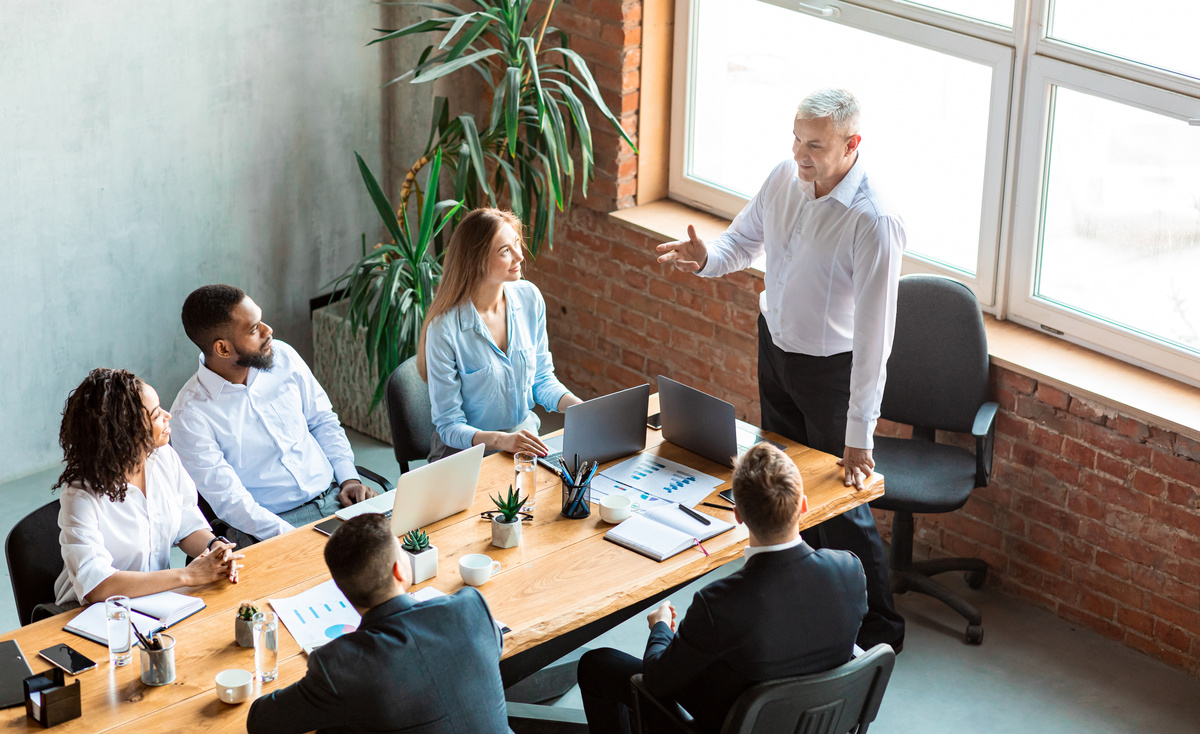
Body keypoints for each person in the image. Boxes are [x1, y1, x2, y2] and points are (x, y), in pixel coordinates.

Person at [655, 88, 905, 651]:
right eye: (795, 138)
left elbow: (875, 338)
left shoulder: (875, 220)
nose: (800, 153)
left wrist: (859, 434)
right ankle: (812, 608)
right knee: (786, 498)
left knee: (843, 508)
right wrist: (706, 260)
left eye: (814, 144)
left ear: (851, 144)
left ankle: (880, 627)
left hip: (832, 374)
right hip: (777, 351)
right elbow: (742, 243)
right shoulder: (782, 178)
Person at [577, 443, 868, 734]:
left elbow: (655, 680)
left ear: (738, 514)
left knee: (597, 664)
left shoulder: (719, 603)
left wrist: (661, 627)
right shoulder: (849, 570)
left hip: (734, 720)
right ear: (803, 505)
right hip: (816, 721)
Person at [246, 513, 510, 734]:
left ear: (340, 589)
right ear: (399, 570)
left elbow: (261, 721)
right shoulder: (470, 607)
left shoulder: (340, 665)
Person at [170, 284, 375, 547]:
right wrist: (293, 539)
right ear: (222, 349)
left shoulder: (283, 357)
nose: (268, 331)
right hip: (270, 527)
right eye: (254, 329)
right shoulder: (190, 414)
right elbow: (231, 501)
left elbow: (322, 420)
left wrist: (349, 479)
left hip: (337, 498)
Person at [52, 368, 242, 607]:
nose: (167, 415)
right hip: (94, 611)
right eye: (154, 416)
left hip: (156, 601)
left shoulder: (163, 457)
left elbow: (186, 523)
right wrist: (188, 575)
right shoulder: (80, 494)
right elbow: (97, 585)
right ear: (123, 432)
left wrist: (215, 548)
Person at [418, 208, 581, 461]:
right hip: (464, 456)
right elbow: (449, 425)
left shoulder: (530, 298)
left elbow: (541, 378)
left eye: (517, 244)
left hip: (523, 443)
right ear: (477, 261)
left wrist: (581, 409)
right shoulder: (444, 330)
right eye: (505, 251)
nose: (519, 256)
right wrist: (501, 440)